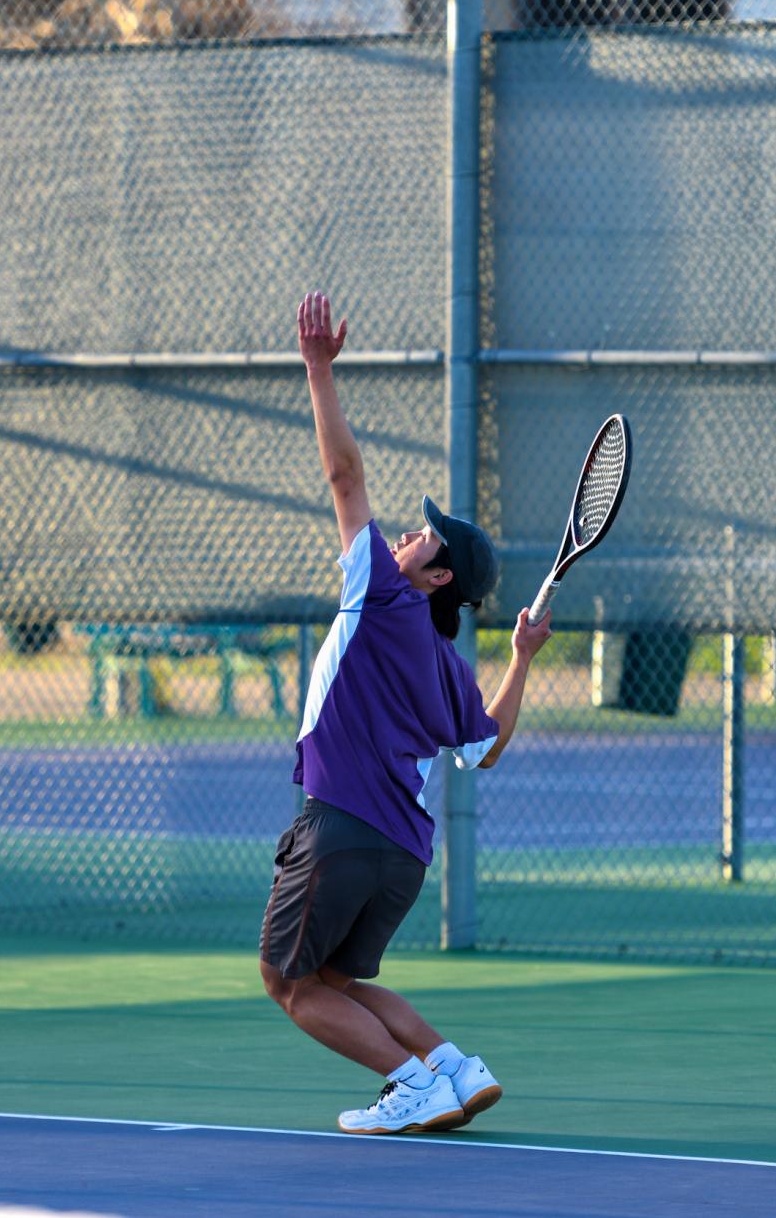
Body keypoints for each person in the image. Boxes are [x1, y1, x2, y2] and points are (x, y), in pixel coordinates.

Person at [260, 290, 553, 1136]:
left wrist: (318, 368)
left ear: (433, 580)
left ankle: (409, 1079)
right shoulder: (448, 662)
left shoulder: (380, 591)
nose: (408, 536)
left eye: (426, 541)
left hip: (341, 831)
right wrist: (522, 660)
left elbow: (343, 474)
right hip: (401, 857)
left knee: (288, 983)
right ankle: (450, 1066)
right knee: (339, 982)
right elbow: (485, 744)